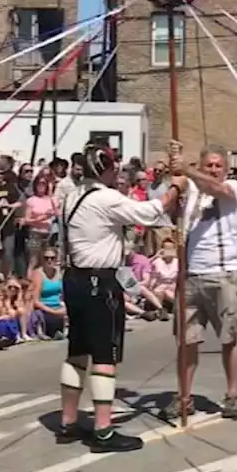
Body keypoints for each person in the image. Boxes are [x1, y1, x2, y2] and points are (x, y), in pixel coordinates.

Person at [56, 142, 185, 453]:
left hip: (74, 279)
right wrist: (176, 187)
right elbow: (152, 212)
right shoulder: (106, 198)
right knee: (104, 356)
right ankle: (102, 430)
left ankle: (69, 421)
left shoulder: (70, 196)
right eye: (115, 167)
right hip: (99, 281)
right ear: (107, 169)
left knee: (77, 352)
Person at [162, 143, 237, 422]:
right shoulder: (191, 190)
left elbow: (217, 190)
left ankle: (232, 395)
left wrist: (186, 169)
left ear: (226, 168)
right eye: (208, 165)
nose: (213, 169)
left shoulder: (235, 188)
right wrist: (175, 171)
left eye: (217, 165)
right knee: (186, 341)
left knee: (229, 338)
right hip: (191, 276)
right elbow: (169, 209)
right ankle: (184, 397)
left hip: (223, 274)